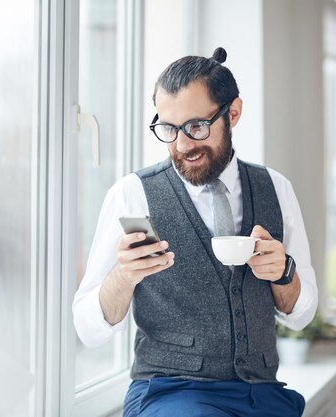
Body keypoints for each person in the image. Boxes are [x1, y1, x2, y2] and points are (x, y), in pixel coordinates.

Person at [72, 47, 318, 417]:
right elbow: (88, 330)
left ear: (232, 113)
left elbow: (300, 315)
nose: (182, 145)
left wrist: (283, 273)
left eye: (196, 127)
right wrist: (123, 276)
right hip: (171, 393)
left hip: (263, 395)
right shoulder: (132, 194)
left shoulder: (276, 189)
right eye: (168, 129)